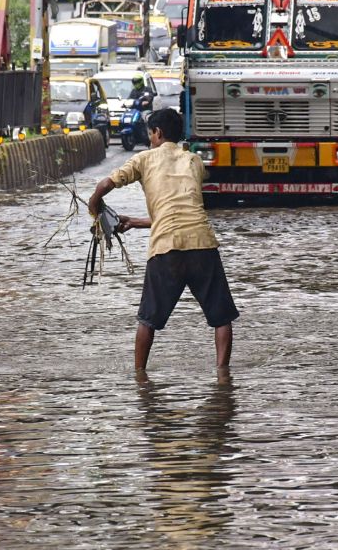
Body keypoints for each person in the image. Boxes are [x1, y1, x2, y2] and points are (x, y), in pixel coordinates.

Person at [87, 108, 239, 371]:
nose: (149, 139)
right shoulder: (194, 161)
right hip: (202, 244)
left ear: (157, 133)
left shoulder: (144, 159)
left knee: (147, 320)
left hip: (166, 249)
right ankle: (223, 377)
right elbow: (180, 210)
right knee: (221, 318)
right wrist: (134, 222)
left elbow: (104, 185)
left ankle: (140, 378)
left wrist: (94, 207)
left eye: (150, 134)